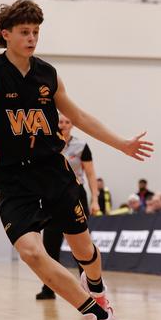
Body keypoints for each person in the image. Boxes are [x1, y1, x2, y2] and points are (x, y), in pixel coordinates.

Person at [0, 0, 153, 320]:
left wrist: (120, 143)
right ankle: (99, 315)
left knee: (84, 251)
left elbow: (78, 116)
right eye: (24, 32)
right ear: (6, 35)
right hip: (11, 176)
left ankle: (96, 287)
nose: (32, 38)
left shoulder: (47, 74)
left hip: (53, 171)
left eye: (36, 32)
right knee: (32, 252)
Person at [35, 114, 101, 300]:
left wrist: (95, 199)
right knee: (50, 244)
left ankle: (89, 287)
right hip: (51, 195)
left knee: (81, 245)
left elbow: (90, 173)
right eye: (61, 122)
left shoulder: (81, 146)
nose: (63, 124)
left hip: (75, 194)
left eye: (67, 122)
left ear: (72, 125)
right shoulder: (46, 143)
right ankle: (49, 288)